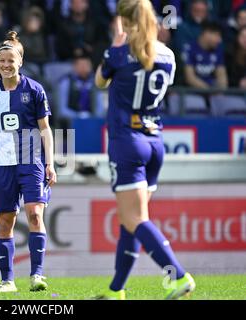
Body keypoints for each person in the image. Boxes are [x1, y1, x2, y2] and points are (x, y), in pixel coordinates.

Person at [94, 0, 196, 300]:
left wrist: (114, 48)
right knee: (132, 220)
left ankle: (177, 275)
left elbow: (100, 81)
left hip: (127, 141)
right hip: (154, 140)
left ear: (123, 22)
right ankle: (116, 291)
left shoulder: (118, 54)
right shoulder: (168, 54)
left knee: (134, 219)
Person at [0, 31, 57, 293]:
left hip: (31, 161)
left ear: (20, 61)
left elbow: (45, 130)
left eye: (11, 61)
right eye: (2, 61)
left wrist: (51, 163)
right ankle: (7, 281)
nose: (6, 65)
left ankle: (37, 276)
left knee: (35, 214)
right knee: (5, 222)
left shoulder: (34, 90)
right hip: (3, 164)